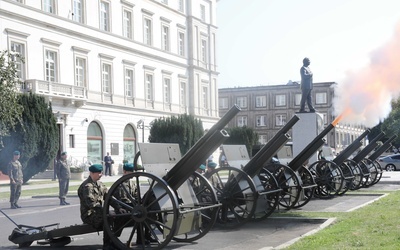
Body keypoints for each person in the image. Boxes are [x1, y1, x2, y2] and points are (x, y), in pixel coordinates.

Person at [78, 164, 123, 249]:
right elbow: (91, 204)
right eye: (98, 173)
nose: (101, 174)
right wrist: (105, 211)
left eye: (101, 172)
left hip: (99, 212)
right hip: (89, 215)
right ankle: (107, 244)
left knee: (117, 215)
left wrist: (119, 208)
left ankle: (113, 240)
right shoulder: (86, 187)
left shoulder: (100, 184)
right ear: (91, 173)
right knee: (108, 217)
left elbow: (109, 198)